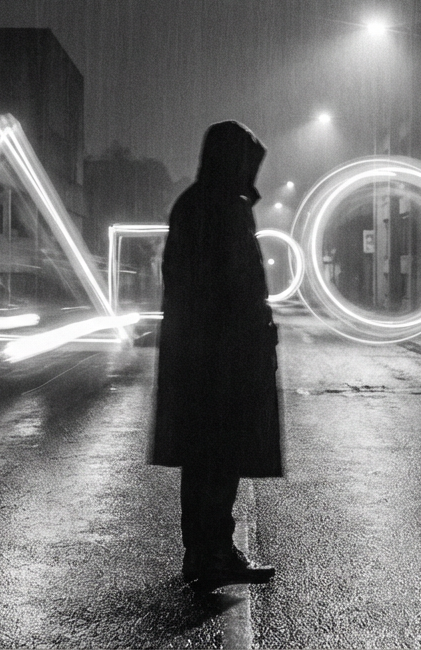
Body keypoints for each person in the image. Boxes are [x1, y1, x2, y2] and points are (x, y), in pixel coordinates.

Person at [150, 120, 284, 592]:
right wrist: (248, 333)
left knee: (202, 459)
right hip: (222, 358)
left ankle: (203, 552)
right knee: (220, 457)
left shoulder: (195, 203)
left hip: (198, 353)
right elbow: (234, 283)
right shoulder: (224, 208)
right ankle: (214, 554)